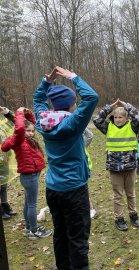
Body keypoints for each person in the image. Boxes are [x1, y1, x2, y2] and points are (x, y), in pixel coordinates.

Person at [33, 66, 99, 269]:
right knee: (78, 240)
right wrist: (73, 77)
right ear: (71, 105)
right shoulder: (72, 123)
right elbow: (92, 97)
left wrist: (46, 82)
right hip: (74, 191)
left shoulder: (43, 120)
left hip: (53, 189)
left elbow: (38, 101)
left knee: (60, 235)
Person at [93, 98, 139, 231]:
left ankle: (133, 215)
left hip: (130, 166)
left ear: (126, 118)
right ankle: (119, 218)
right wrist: (111, 107)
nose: (118, 119)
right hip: (114, 167)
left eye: (121, 117)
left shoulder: (132, 126)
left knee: (131, 193)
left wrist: (127, 105)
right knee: (117, 195)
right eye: (115, 117)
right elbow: (97, 119)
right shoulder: (108, 127)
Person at [1, 107, 51, 239]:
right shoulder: (18, 138)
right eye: (27, 131)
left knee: (28, 203)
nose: (30, 133)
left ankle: (29, 228)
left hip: (33, 174)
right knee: (32, 204)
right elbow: (20, 129)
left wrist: (27, 112)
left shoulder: (28, 138)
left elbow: (31, 123)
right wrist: (18, 112)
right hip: (29, 176)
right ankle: (34, 231)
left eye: (31, 131)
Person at [0, 107, 17, 220]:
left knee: (3, 184)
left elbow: (16, 123)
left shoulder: (2, 124)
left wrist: (6, 112)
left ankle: (5, 205)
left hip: (4, 159)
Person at [83, 128, 97, 219]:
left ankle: (91, 209)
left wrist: (81, 125)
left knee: (83, 189)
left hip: (83, 169)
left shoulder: (81, 143)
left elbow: (90, 135)